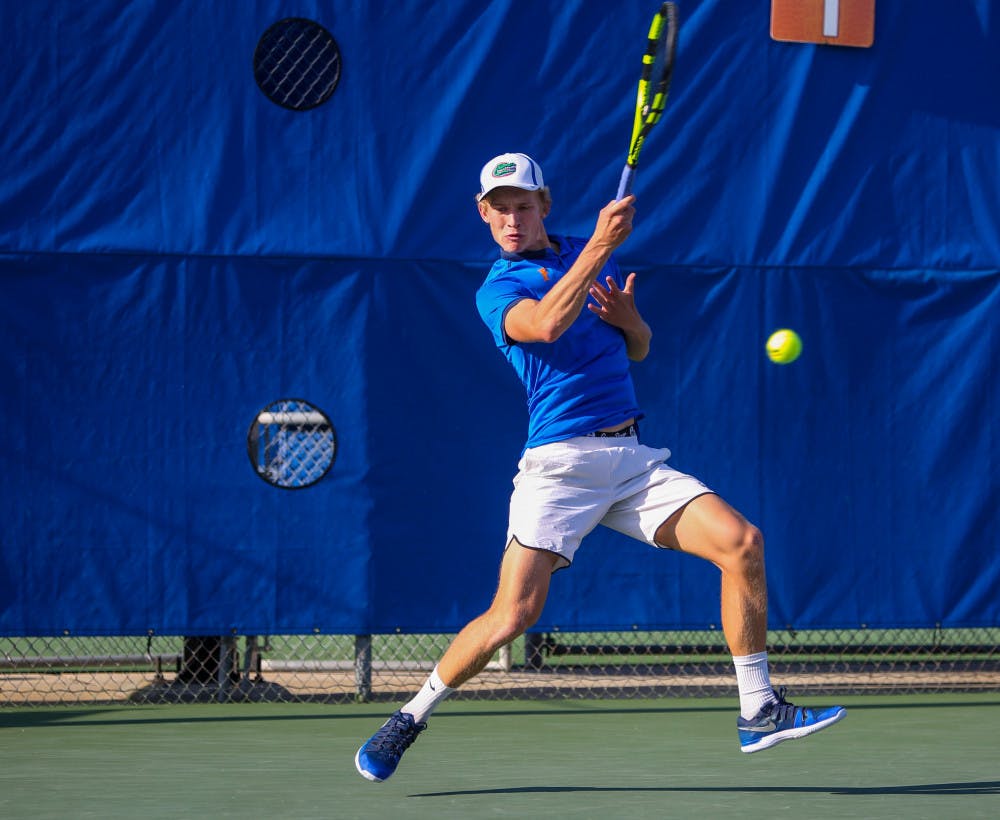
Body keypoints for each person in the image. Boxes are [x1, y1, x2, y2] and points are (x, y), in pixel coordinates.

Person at [354, 152, 846, 782]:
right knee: (514, 615)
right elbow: (547, 324)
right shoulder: (498, 288)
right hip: (559, 465)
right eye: (498, 209)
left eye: (522, 206)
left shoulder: (591, 251)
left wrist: (633, 322)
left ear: (544, 205)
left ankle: (758, 709)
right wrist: (600, 248)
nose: (511, 219)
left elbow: (636, 347)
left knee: (743, 544)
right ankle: (410, 717)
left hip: (632, 459)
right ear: (483, 215)